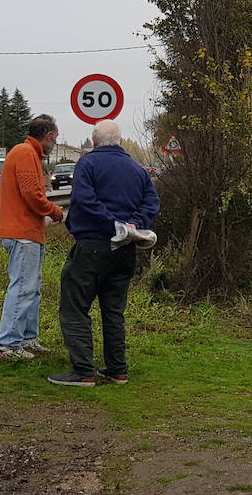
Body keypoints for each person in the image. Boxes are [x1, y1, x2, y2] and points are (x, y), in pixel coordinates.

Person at [48, 119, 160, 387]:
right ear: (120, 141)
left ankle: (83, 371)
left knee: (75, 306)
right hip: (126, 248)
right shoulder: (137, 169)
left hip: (92, 245)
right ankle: (117, 369)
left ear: (94, 141)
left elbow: (85, 201)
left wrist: (114, 224)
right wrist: (132, 224)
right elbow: (152, 202)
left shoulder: (88, 164)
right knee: (113, 310)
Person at [0, 114, 65, 360]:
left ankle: (26, 338)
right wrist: (55, 212)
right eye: (54, 137)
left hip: (28, 232)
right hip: (22, 233)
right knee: (23, 288)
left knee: (31, 288)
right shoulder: (25, 153)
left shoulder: (28, 153)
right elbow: (32, 195)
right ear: (47, 135)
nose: (55, 142)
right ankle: (7, 345)